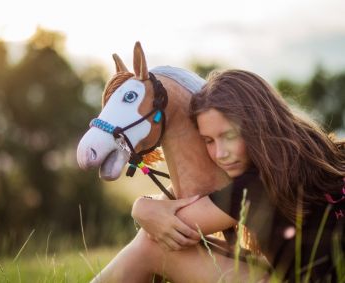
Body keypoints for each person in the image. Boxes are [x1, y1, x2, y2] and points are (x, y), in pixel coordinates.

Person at [91, 69, 345, 283]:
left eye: (229, 136)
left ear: (257, 124)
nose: (221, 153)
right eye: (209, 140)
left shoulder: (253, 186)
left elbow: (171, 221)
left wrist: (141, 207)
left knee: (152, 244)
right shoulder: (318, 152)